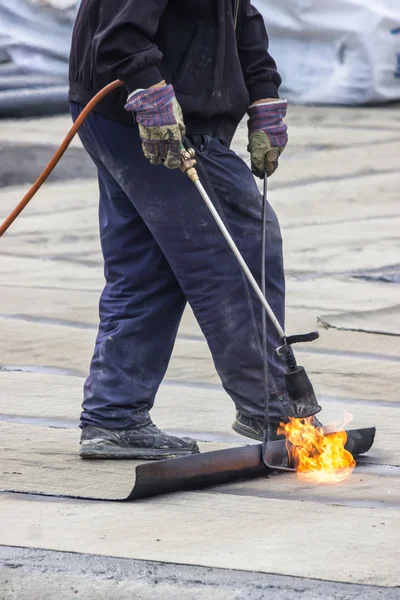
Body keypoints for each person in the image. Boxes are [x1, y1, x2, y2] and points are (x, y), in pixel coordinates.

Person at [69, 0, 291, 459]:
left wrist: (263, 92)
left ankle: (114, 416)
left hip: (127, 114)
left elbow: (237, 14)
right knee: (238, 247)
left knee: (149, 267)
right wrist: (150, 91)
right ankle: (271, 405)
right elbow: (119, 31)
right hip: (151, 112)